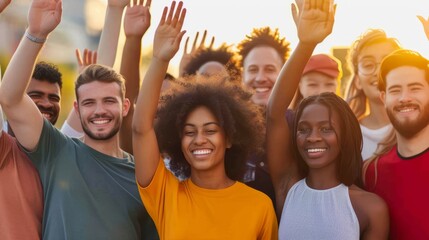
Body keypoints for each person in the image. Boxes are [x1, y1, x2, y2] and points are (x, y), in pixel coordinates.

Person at [0, 0, 158, 239]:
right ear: (77, 108)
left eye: (108, 101)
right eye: (88, 103)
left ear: (125, 106)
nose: (99, 110)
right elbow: (10, 98)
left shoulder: (144, 178)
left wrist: (115, 11)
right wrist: (36, 33)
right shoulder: (57, 150)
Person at [132, 1, 277, 239]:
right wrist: (159, 58)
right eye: (189, 132)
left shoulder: (260, 206)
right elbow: (140, 129)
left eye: (210, 130)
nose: (199, 139)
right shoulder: (165, 193)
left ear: (229, 138)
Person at [266, 0, 389, 239]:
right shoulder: (288, 187)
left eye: (326, 128)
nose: (313, 137)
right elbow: (275, 113)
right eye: (303, 129)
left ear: (345, 136)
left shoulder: (371, 208)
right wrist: (306, 44)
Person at [364, 49, 429, 240]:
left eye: (415, 88)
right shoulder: (371, 172)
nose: (404, 98)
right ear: (383, 98)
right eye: (395, 90)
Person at [345, 29, 401, 160]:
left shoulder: (420, 126)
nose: (378, 72)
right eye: (368, 64)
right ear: (358, 80)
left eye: (388, 62)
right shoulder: (348, 135)